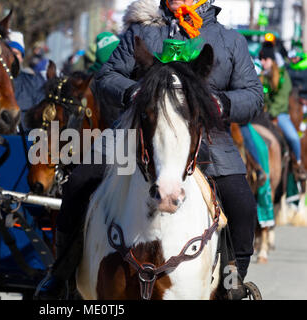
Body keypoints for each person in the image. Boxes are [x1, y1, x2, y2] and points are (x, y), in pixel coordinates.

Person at [35, 0, 263, 300]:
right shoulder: (141, 33)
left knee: (242, 203)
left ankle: (233, 277)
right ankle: (61, 272)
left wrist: (219, 103)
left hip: (208, 139)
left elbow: (253, 95)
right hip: (136, 133)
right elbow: (107, 77)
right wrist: (133, 92)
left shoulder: (230, 40)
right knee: (79, 183)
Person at [259, 43, 307, 179]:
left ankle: (298, 163)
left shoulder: (283, 76)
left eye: (265, 59)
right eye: (261, 59)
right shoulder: (262, 77)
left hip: (280, 115)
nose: (262, 62)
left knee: (294, 137)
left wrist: (270, 112)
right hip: (264, 115)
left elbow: (282, 99)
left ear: (272, 60)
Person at [8, 31, 47, 129]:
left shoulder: (34, 82)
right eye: (8, 54)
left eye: (16, 54)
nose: (12, 58)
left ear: (21, 58)